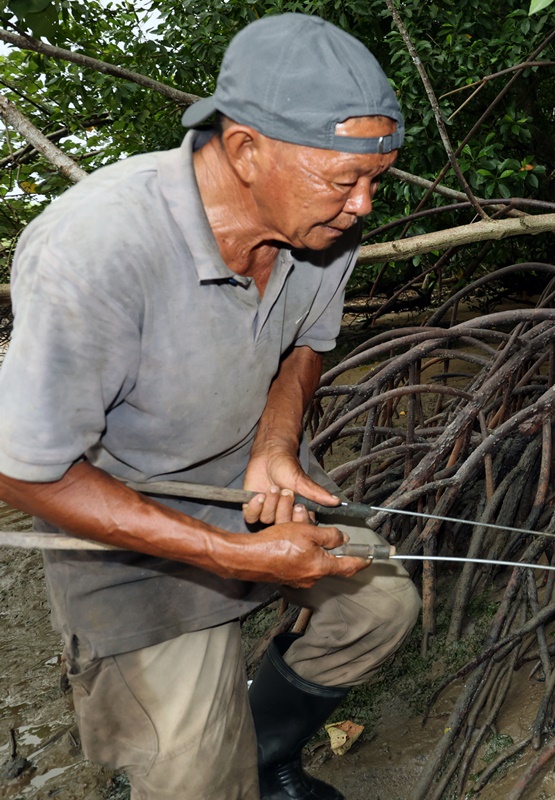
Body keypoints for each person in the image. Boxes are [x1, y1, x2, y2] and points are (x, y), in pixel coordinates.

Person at [0, 13, 419, 800]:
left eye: (377, 180)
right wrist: (232, 556)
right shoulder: (96, 249)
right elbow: (23, 472)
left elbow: (305, 344)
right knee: (194, 777)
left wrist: (277, 441)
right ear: (246, 150)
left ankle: (264, 758)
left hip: (247, 482)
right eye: (344, 181)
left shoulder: (321, 225)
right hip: (125, 531)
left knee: (378, 607)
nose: (364, 206)